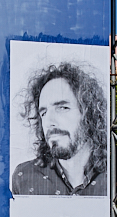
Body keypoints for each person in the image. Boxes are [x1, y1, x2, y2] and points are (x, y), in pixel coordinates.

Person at [12, 62, 107, 196]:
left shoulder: (112, 174)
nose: (49, 122)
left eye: (62, 108)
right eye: (43, 113)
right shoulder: (24, 177)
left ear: (89, 113)